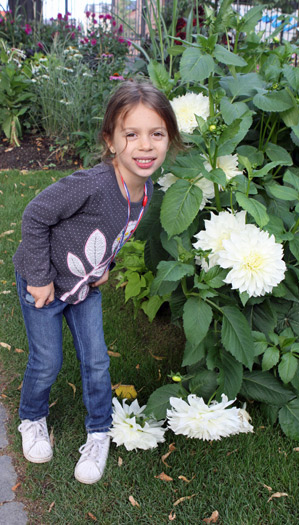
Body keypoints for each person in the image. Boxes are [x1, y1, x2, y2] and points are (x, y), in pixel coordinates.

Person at [13, 80, 183, 484]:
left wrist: (104, 264)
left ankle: (97, 430)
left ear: (169, 140)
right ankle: (32, 418)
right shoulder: (92, 184)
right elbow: (35, 216)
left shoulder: (145, 191)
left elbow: (117, 231)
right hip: (45, 284)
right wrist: (38, 279)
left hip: (84, 286)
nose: (145, 146)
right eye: (132, 134)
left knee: (96, 361)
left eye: (156, 134)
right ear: (110, 141)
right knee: (47, 360)